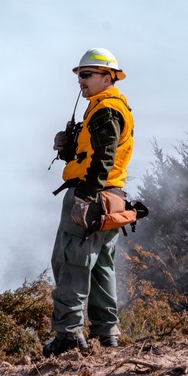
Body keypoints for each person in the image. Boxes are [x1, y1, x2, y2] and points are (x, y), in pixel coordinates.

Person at [44, 48, 134, 357]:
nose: (80, 81)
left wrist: (84, 197)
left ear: (107, 78)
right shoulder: (109, 108)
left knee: (71, 262)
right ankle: (105, 334)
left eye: (86, 74)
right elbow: (95, 154)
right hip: (112, 197)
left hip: (91, 195)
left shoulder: (105, 110)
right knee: (101, 266)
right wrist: (69, 150)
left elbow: (103, 160)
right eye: (79, 75)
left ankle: (68, 335)